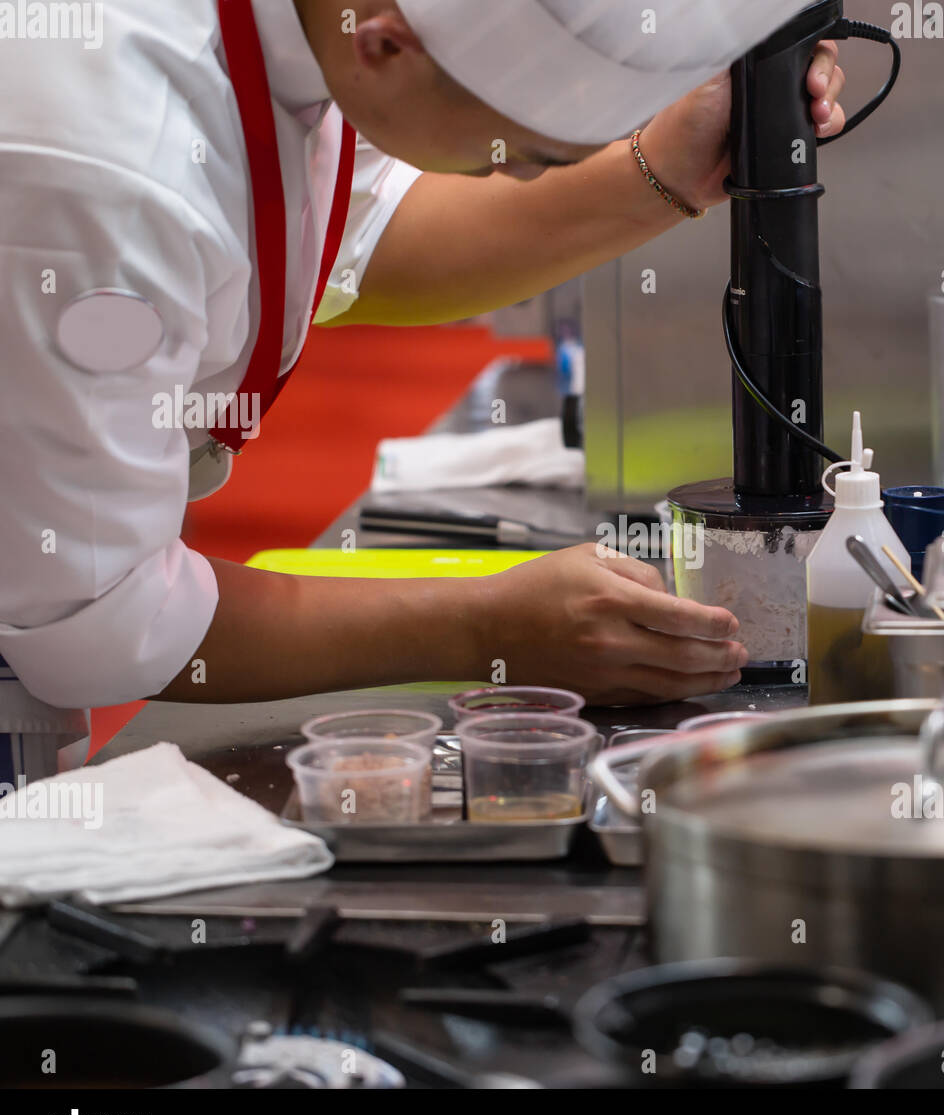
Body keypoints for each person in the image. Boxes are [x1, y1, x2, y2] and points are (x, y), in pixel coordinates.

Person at [0, 0, 849, 781]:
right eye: (513, 158)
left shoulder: (305, 39)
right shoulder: (107, 166)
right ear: (383, 44)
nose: (521, 177)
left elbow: (345, 242)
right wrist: (487, 628)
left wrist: (666, 165)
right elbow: (100, 621)